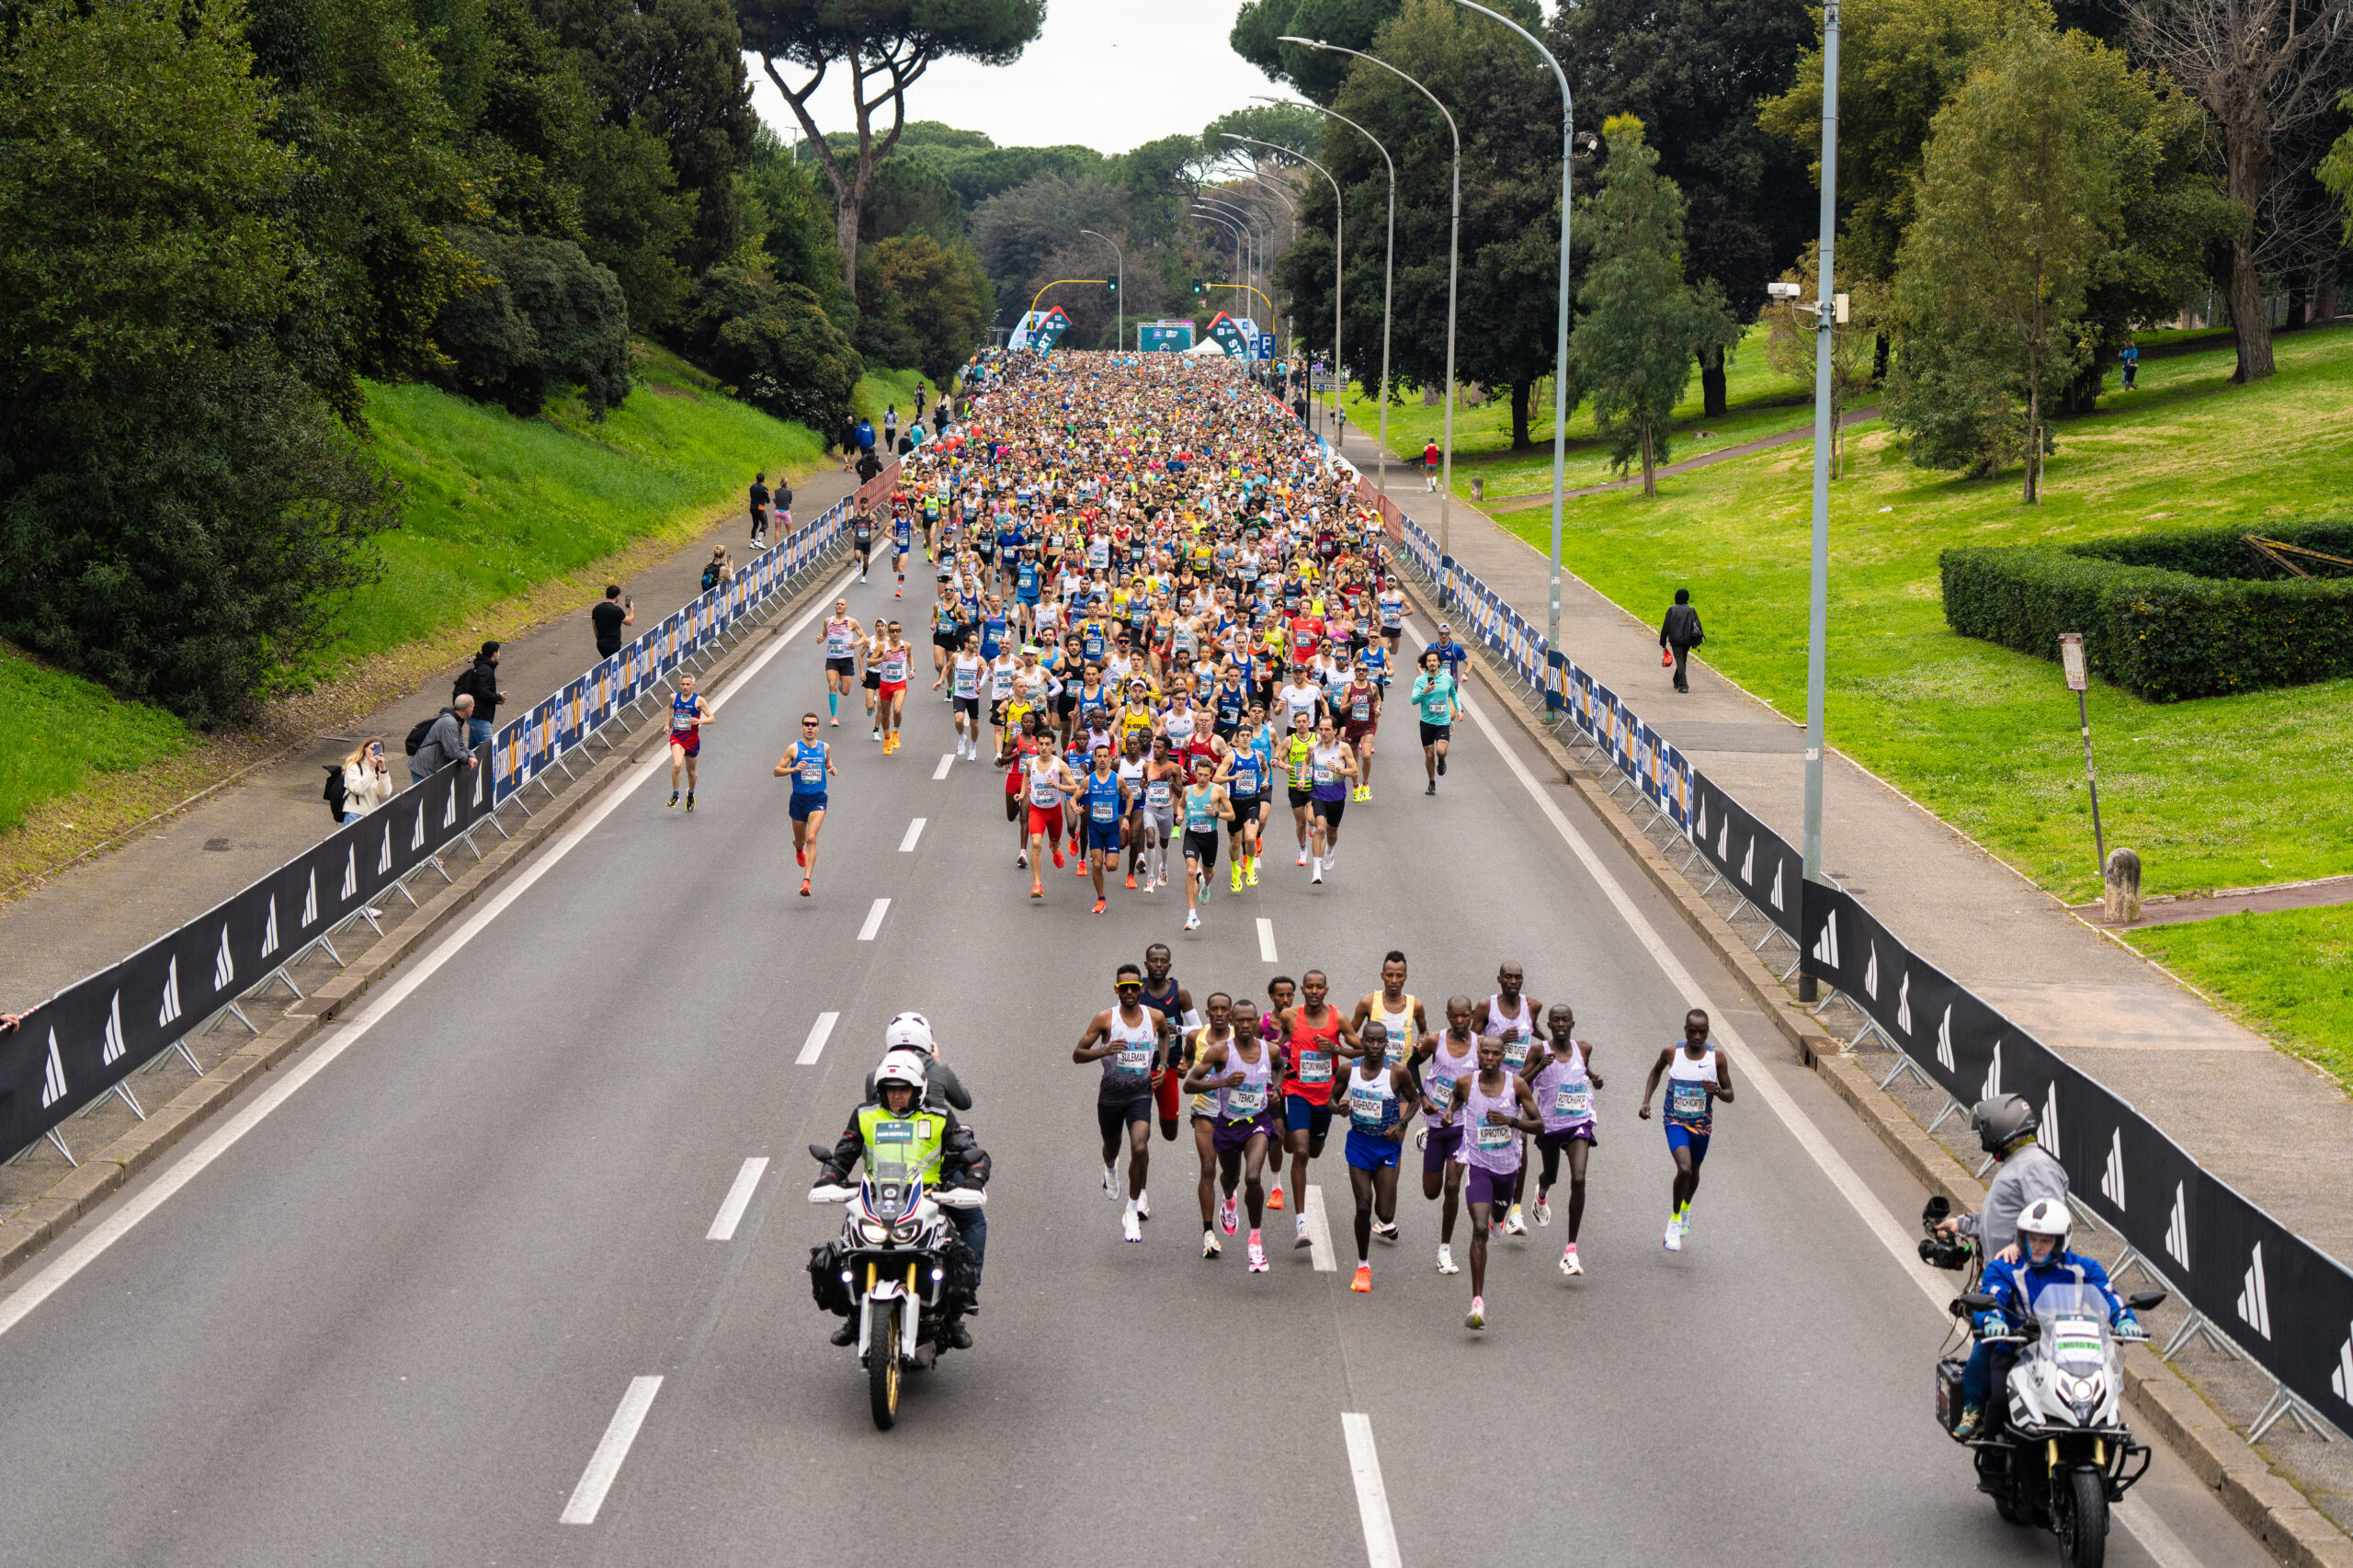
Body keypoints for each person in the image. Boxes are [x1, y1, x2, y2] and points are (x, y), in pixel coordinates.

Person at [813, 1051, 989, 1348]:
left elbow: (970, 1151)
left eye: (903, 1089)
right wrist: (829, 1177)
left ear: (917, 1090)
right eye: (890, 1089)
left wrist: (973, 1179)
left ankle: (954, 1317)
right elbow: (843, 1154)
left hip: (927, 1202)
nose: (896, 1095)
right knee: (846, 1252)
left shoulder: (939, 1117)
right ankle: (853, 1318)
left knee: (958, 1259)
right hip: (875, 1200)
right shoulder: (865, 1116)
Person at [1952, 1199, 2146, 1439]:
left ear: (2061, 1240)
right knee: (2001, 1400)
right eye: (2032, 1239)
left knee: (2099, 1405)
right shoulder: (2004, 1267)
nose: (2037, 1246)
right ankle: (1991, 1470)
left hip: (2069, 1354)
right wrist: (1994, 1320)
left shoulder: (2085, 1268)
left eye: (2045, 1240)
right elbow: (1992, 1294)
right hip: (2016, 1351)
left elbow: (2108, 1294)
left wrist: (2124, 1320)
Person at [1445, 1030, 1543, 1330]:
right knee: (1478, 1228)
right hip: (1478, 1167)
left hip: (1508, 1169)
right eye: (1484, 1053)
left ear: (1503, 1057)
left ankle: (1499, 1218)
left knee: (1496, 1219)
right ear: (1479, 1055)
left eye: (1495, 1054)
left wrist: (1511, 1121)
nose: (1489, 1058)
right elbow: (1455, 1098)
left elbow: (1539, 1125)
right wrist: (1450, 1112)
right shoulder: (1466, 1082)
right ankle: (1477, 1302)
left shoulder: (1517, 1085)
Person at [1074, 964, 1176, 1244]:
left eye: (1133, 987)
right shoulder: (1105, 1019)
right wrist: (1104, 1050)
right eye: (1123, 988)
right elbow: (1077, 1055)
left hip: (1140, 1094)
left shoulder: (1154, 1017)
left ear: (1141, 989)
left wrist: (1164, 1064)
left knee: (1140, 1146)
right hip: (1110, 1096)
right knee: (1112, 1147)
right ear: (1116, 989)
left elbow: (1165, 1034)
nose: (1129, 992)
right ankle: (1109, 1168)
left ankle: (1131, 1210)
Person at [1182, 1001, 1284, 1275]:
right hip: (1227, 1124)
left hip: (1258, 1123)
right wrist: (1222, 1083)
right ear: (1232, 1022)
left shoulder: (1268, 1049)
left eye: (1251, 1020)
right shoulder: (1220, 1052)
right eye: (1240, 1021)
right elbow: (1189, 1085)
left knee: (1253, 1178)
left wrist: (1276, 1089)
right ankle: (1228, 1199)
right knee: (1230, 1178)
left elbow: (1279, 1066)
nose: (1246, 1025)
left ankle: (1255, 1243)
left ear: (1255, 1022)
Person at [1274, 970, 1365, 1254]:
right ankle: (1302, 1221)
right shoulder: (1290, 1015)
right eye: (1309, 987)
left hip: (1325, 1097)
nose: (1314, 991)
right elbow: (1279, 1044)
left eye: (1319, 987)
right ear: (1302, 989)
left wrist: (1335, 1047)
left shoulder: (1337, 1018)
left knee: (1313, 1150)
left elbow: (1362, 1050)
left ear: (1327, 990)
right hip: (1296, 1090)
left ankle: (1292, 1134)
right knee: (1300, 1152)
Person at [1932, 1094, 2069, 1268]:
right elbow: (2002, 1218)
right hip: (2001, 1274)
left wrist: (2020, 1248)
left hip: (2020, 1280)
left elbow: (2050, 1222)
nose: (1984, 1141)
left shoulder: (2035, 1166)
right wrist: (1961, 1224)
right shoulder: (2018, 1163)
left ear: (2001, 1128)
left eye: (1984, 1134)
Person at [1639, 1008, 1734, 1252]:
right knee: (1684, 1168)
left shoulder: (1717, 1058)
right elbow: (1655, 1072)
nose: (1697, 1037)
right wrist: (1646, 1101)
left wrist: (1717, 1092)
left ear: (1707, 1032)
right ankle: (1674, 1220)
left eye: (1702, 1032)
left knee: (1694, 1172)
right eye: (1692, 1031)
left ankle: (1686, 1207)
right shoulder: (1673, 1052)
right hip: (1675, 1121)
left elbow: (1730, 1095)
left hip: (1701, 1125)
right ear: (1685, 1029)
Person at [1524, 1003, 1601, 1275]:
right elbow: (1521, 1083)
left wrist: (1594, 1078)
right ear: (1549, 1023)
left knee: (1578, 1178)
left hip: (1579, 1121)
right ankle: (1541, 1193)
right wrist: (1540, 1067)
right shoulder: (1539, 1051)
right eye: (1555, 1021)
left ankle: (1570, 1251)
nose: (1560, 1025)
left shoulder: (1583, 1048)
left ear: (1572, 1023)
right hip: (1549, 1124)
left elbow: (1584, 1070)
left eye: (1564, 1020)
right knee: (1552, 1175)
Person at [1342, 1019, 1416, 1293]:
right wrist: (1338, 1107)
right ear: (1362, 1042)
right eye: (1369, 1041)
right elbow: (1331, 1099)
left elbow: (1415, 1100)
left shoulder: (1397, 1072)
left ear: (1387, 1044)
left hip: (1386, 1147)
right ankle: (1363, 1264)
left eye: (1380, 1041)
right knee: (1363, 1205)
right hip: (1359, 1144)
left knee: (1384, 1213)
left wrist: (1401, 1124)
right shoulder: (1349, 1070)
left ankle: (1380, 1187)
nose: (1374, 1046)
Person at [1479, 962, 1545, 1234]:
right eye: (1509, 977)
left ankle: (1516, 1211)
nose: (1514, 981)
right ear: (1499, 979)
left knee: (1521, 1143)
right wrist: (1497, 1039)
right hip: (1488, 1081)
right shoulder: (1487, 1007)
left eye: (1518, 977)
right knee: (1483, 1138)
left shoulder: (1532, 1006)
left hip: (1520, 1082)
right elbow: (1472, 1041)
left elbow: (1533, 1030)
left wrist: (1553, 1045)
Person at [1417, 995, 1481, 1275]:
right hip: (1436, 1123)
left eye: (1464, 1016)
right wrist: (1421, 1098)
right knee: (1431, 1192)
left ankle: (1445, 1249)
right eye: (1454, 1016)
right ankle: (1424, 1136)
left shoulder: (1481, 1046)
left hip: (1464, 1127)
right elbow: (1409, 1066)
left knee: (1452, 1186)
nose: (1459, 1021)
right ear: (1447, 1016)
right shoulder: (1435, 1041)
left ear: (1472, 1015)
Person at [775, 713, 834, 897]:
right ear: (801, 727)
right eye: (806, 724)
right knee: (800, 841)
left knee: (812, 838)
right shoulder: (793, 749)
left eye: (813, 724)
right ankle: (798, 849)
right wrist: (793, 769)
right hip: (798, 800)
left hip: (818, 799)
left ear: (818, 728)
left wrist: (831, 768)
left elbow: (828, 763)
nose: (810, 727)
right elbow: (776, 771)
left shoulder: (824, 747)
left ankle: (806, 882)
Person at [1139, 944, 1194, 1138]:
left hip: (1169, 1065)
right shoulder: (1135, 991)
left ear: (1169, 966)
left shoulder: (1180, 992)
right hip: (1140, 1066)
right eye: (1154, 960)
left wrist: (1178, 1030)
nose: (1158, 965)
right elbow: (1117, 1020)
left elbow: (1198, 1030)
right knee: (1139, 1131)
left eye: (1163, 961)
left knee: (1170, 1134)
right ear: (1146, 964)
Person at [1176, 754, 1230, 932]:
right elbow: (1181, 805)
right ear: (1195, 772)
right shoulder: (1188, 790)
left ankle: (1206, 886)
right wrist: (1180, 815)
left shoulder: (1217, 791)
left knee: (1208, 872)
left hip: (1210, 837)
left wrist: (1216, 814)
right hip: (1192, 836)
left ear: (1211, 774)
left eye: (1206, 775)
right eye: (1199, 774)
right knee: (1191, 871)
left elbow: (1232, 815)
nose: (1202, 778)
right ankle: (1192, 915)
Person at [1409, 649, 1457, 795]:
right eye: (1429, 661)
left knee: (1440, 751)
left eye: (1434, 661)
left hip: (1443, 721)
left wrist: (1459, 710)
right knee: (1429, 755)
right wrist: (1425, 691)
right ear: (1425, 663)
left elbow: (1453, 695)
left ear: (1439, 662)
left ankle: (1441, 759)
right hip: (1426, 722)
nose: (1431, 663)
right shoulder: (1420, 680)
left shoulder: (1447, 678)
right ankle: (1431, 782)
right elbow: (1413, 700)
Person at [666, 673, 711, 810]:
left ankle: (690, 794)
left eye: (687, 684)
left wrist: (700, 721)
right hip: (677, 738)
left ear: (693, 685)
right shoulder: (674, 697)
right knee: (677, 765)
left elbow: (712, 718)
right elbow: (669, 707)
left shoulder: (699, 701)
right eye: (682, 684)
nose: (685, 687)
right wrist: (666, 724)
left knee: (691, 771)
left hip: (692, 741)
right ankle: (675, 795)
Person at [410, 696, 476, 785]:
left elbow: (460, 746)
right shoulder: (449, 723)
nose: (473, 709)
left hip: (430, 767)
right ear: (468, 709)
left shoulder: (456, 720)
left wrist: (470, 755)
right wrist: (467, 759)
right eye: (473, 707)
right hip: (424, 769)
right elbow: (452, 752)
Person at [817, 599, 862, 728]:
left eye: (842, 604)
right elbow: (824, 634)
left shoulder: (852, 622)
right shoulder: (828, 621)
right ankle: (834, 717)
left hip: (846, 658)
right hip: (832, 659)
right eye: (837, 604)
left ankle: (842, 679)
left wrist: (856, 644)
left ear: (846, 607)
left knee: (845, 691)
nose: (839, 606)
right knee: (832, 685)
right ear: (835, 606)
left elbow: (863, 637)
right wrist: (820, 638)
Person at [454, 642, 504, 746]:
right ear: (494, 653)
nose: (499, 654)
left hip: (476, 714)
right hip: (480, 716)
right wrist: (497, 697)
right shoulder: (485, 670)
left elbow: (479, 691)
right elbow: (483, 692)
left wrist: (495, 699)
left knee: (474, 749)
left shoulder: (481, 667)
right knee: (487, 750)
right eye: (498, 652)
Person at [339, 738, 397, 824]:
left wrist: (383, 770)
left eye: (378, 750)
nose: (374, 752)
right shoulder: (353, 766)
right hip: (355, 814)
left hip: (372, 815)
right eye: (372, 749)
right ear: (365, 748)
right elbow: (358, 789)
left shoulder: (378, 770)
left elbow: (385, 794)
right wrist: (371, 769)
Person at [875, 620, 911, 755]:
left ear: (900, 632)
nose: (895, 633)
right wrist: (882, 659)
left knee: (896, 710)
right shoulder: (881, 646)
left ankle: (895, 732)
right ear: (888, 633)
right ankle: (887, 739)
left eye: (897, 630)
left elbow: (910, 656)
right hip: (885, 684)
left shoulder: (906, 645)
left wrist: (912, 668)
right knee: (885, 715)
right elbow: (870, 662)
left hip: (900, 683)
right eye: (892, 631)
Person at [1660, 588, 1703, 695]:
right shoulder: (1691, 610)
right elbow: (1697, 626)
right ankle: (1676, 681)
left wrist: (1663, 640)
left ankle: (1683, 685)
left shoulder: (1672, 609)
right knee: (1682, 660)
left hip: (1675, 640)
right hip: (1687, 639)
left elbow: (1666, 626)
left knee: (1680, 661)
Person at [592, 585, 634, 658]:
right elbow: (629, 622)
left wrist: (600, 639)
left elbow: (595, 627)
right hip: (613, 644)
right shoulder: (616, 610)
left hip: (601, 644)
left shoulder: (596, 609)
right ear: (617, 596)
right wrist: (632, 609)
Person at [748, 472, 771, 546]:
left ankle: (752, 542)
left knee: (755, 524)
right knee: (765, 524)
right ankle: (759, 540)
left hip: (752, 507)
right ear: (763, 480)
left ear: (756, 479)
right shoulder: (764, 489)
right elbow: (768, 501)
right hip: (760, 508)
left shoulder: (752, 487)